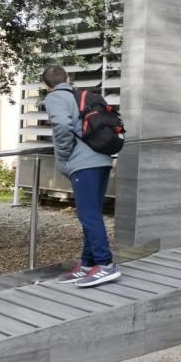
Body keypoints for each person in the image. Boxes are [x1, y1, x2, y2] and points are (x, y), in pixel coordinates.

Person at [42, 66, 121, 288]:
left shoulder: (55, 98)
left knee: (88, 215)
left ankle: (106, 265)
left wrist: (65, 155)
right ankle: (88, 264)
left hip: (83, 164)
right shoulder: (82, 97)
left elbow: (63, 126)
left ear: (46, 85)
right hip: (102, 159)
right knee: (91, 213)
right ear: (67, 78)